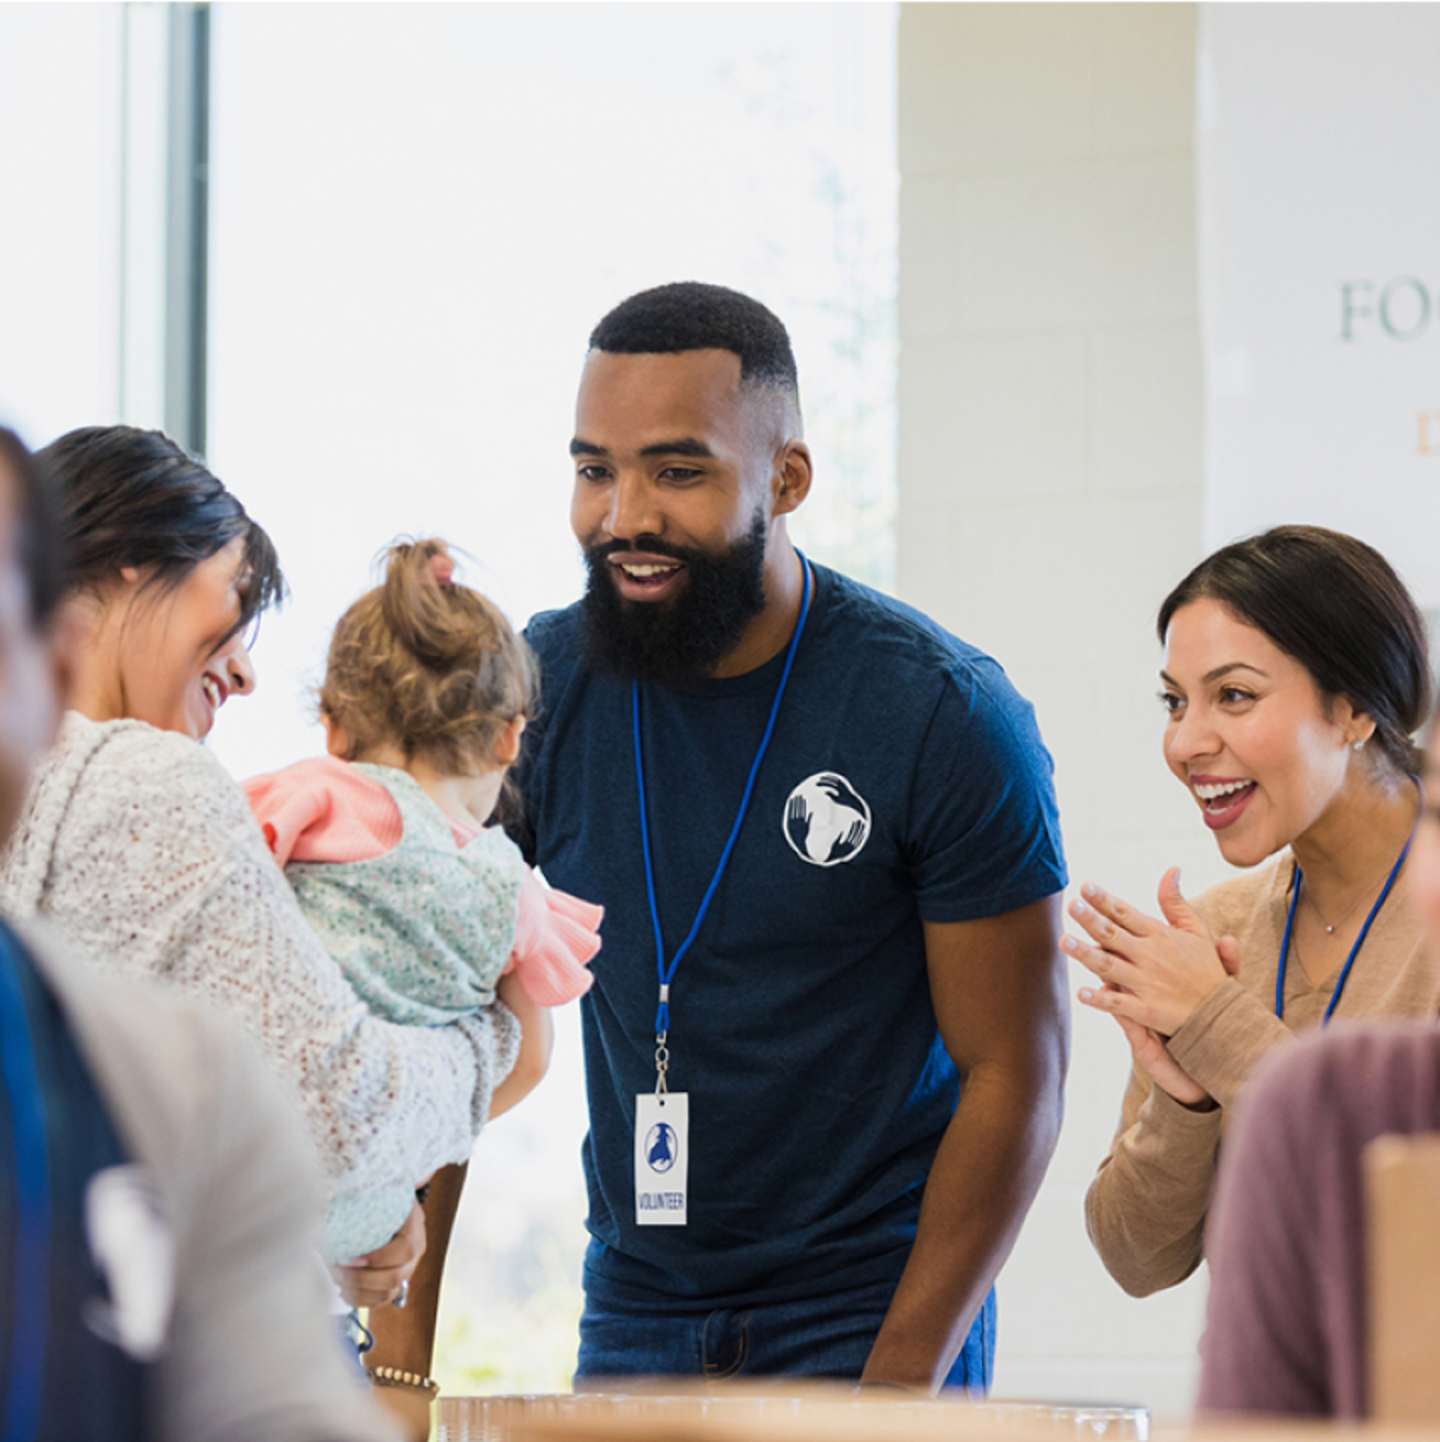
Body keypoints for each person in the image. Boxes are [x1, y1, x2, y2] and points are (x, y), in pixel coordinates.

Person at [515, 281, 1070, 1392]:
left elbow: (1017, 1072)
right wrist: (402, 1356)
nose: (624, 514)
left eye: (677, 471)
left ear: (788, 476)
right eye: (594, 469)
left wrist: (898, 1386)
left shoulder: (942, 712)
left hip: (870, 1310)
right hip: (634, 1306)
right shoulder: (541, 688)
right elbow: (436, 984)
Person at [0, 428, 521, 1351]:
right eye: (236, 604)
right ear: (130, 564)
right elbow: (340, 1115)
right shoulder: (142, 778)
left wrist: (319, 1238)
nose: (242, 669)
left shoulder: (49, 790)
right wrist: (493, 1042)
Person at [1074, 526, 1440, 1297]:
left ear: (1353, 709)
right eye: (1175, 702)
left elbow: (1412, 1225)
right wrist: (1185, 1094)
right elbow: (1136, 1260)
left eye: (1234, 696)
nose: (1184, 742)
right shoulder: (1220, 929)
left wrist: (1217, 1027)